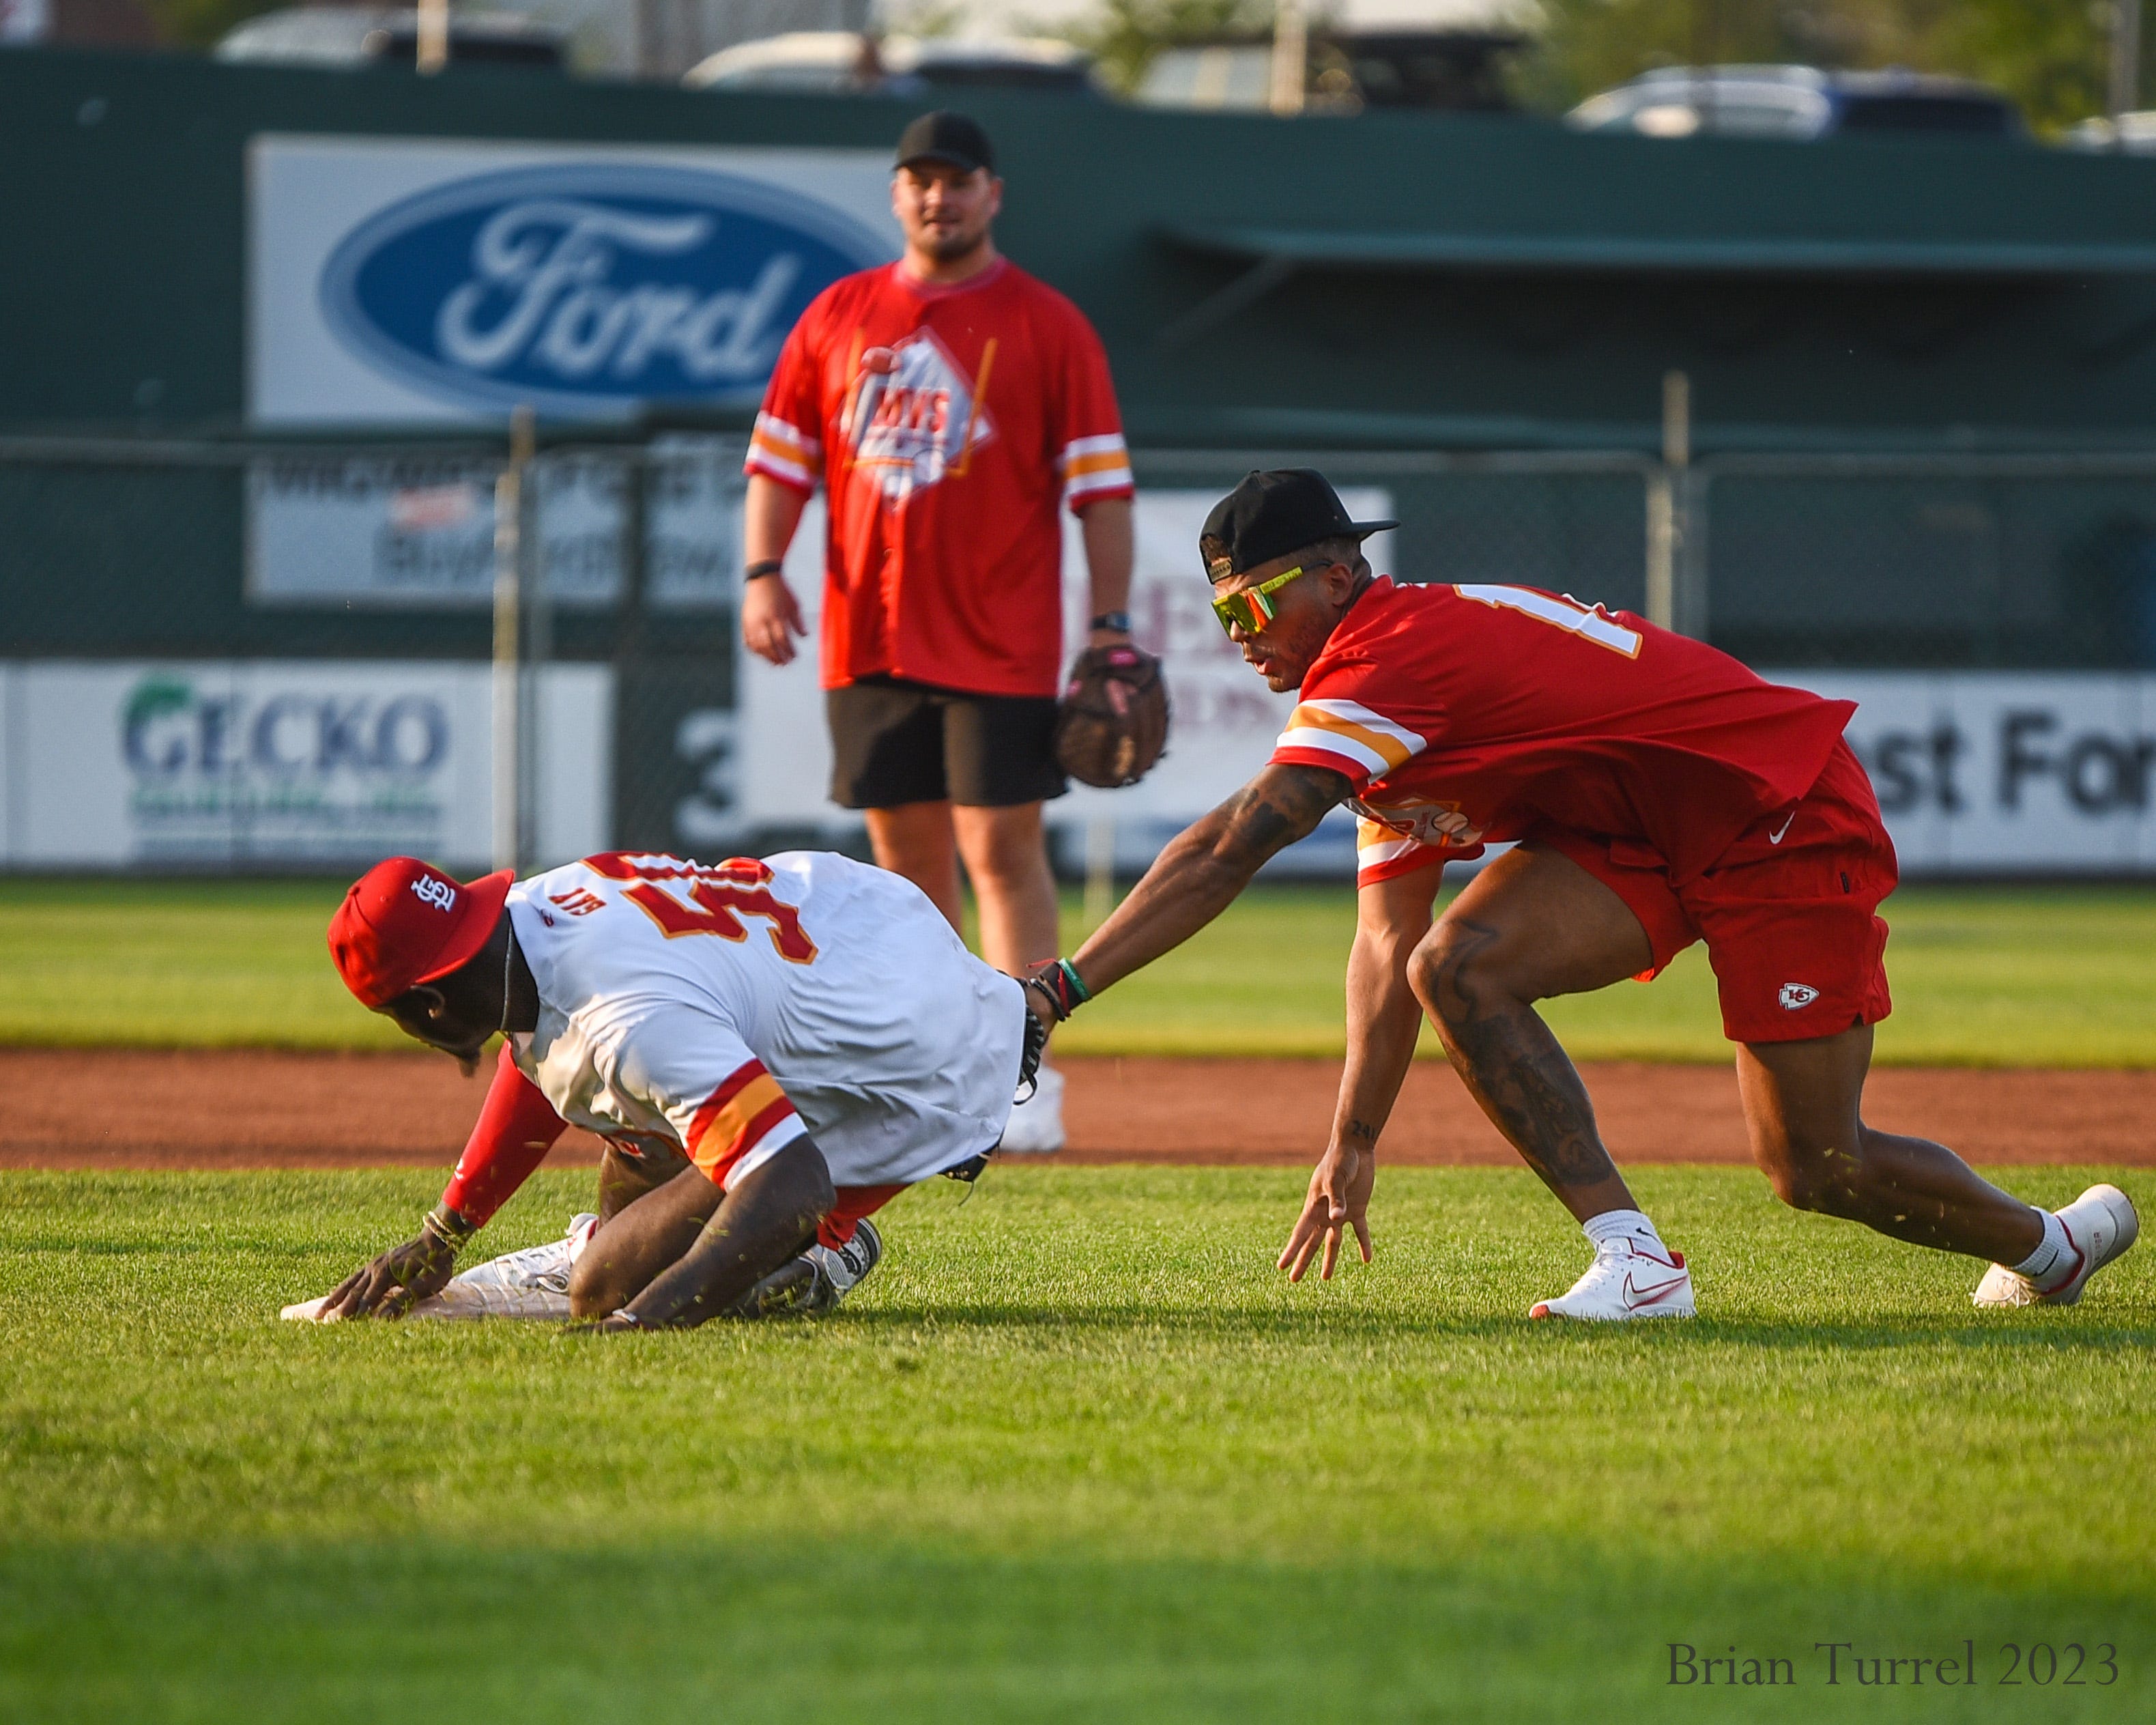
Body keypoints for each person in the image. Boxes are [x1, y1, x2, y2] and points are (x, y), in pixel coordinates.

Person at [1019, 468, 2139, 1320]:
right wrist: (1353, 1138)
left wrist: (1059, 987)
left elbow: (1229, 845)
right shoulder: (1364, 702)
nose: (1240, 641)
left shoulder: (1391, 653)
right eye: (1223, 620)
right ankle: (1633, 1259)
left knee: (1814, 1167)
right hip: (1639, 834)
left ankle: (2050, 1248)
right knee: (1452, 964)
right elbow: (1380, 947)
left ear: (1336, 574)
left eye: (1253, 608)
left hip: (1772, 811)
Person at [738, 109, 1136, 1155]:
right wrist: (761, 572)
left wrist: (1107, 623)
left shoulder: (1047, 324)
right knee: (902, 868)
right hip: (865, 635)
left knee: (1001, 850)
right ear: (895, 194)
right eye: (919, 180)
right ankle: (930, 1066)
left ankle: (1024, 1071)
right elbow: (778, 465)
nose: (937, 197)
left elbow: (1102, 492)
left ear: (991, 195)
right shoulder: (838, 313)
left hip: (998, 636)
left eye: (957, 180)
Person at [311, 849, 1039, 1328]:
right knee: (622, 1106)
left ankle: (824, 1251)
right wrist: (446, 1232)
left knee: (601, 1290)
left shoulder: (623, 1024)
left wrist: (644, 1320)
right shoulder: (537, 909)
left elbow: (794, 1178)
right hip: (870, 923)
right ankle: (644, 1250)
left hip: (916, 1061)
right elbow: (541, 1052)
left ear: (431, 1007)